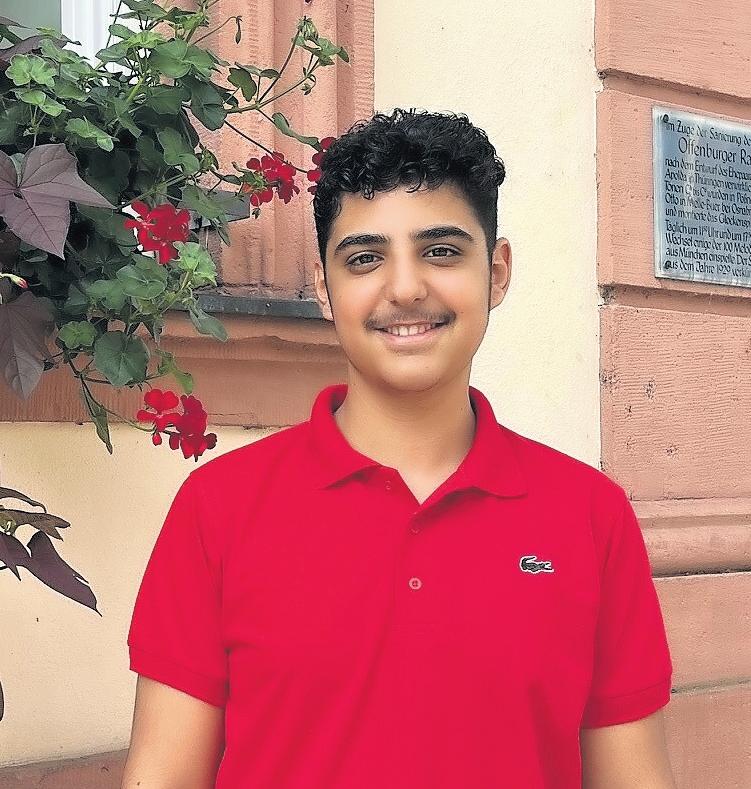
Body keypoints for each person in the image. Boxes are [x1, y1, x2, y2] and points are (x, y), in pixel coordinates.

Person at [122, 108, 676, 788]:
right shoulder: (220, 508)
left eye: (441, 251)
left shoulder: (589, 516)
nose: (406, 288)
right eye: (365, 258)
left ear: (497, 271)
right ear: (325, 289)